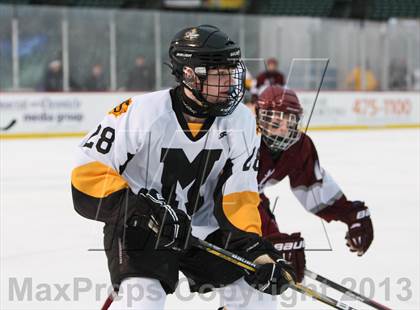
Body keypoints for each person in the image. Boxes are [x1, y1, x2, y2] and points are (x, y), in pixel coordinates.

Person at [71, 25, 296, 310]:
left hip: (202, 230)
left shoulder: (241, 122)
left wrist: (253, 248)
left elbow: (238, 198)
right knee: (143, 300)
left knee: (259, 301)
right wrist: (141, 211)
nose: (229, 82)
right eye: (219, 74)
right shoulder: (143, 112)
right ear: (190, 75)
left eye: (231, 72)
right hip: (141, 228)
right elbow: (86, 174)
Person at [255, 85, 374, 283]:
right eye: (275, 122)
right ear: (259, 119)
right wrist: (268, 236)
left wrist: (349, 213)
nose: (283, 129)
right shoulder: (244, 141)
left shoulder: (299, 147)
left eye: (289, 121)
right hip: (208, 210)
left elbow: (311, 186)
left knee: (257, 289)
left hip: (248, 204)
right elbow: (231, 195)